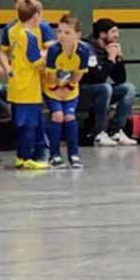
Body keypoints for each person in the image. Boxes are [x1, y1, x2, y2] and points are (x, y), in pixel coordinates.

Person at [81, 18, 137, 147]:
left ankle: (116, 130)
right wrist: (110, 59)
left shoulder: (107, 49)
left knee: (128, 88)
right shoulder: (88, 49)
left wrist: (118, 58)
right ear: (102, 34)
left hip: (99, 92)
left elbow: (120, 79)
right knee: (105, 88)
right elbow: (97, 78)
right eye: (113, 32)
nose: (117, 35)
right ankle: (99, 132)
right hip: (81, 94)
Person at [45, 14, 91, 169]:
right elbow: (51, 76)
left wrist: (69, 87)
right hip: (52, 88)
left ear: (77, 35)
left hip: (71, 88)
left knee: (70, 116)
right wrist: (56, 89)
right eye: (59, 31)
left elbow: (78, 74)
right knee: (58, 115)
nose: (62, 36)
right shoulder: (54, 50)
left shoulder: (84, 50)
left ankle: (74, 154)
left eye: (67, 32)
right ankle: (54, 155)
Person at [7, 0, 49, 169]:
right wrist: (47, 54)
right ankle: (26, 157)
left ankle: (21, 156)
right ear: (36, 16)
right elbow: (35, 61)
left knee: (22, 124)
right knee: (29, 125)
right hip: (27, 88)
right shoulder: (29, 36)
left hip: (18, 86)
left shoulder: (17, 33)